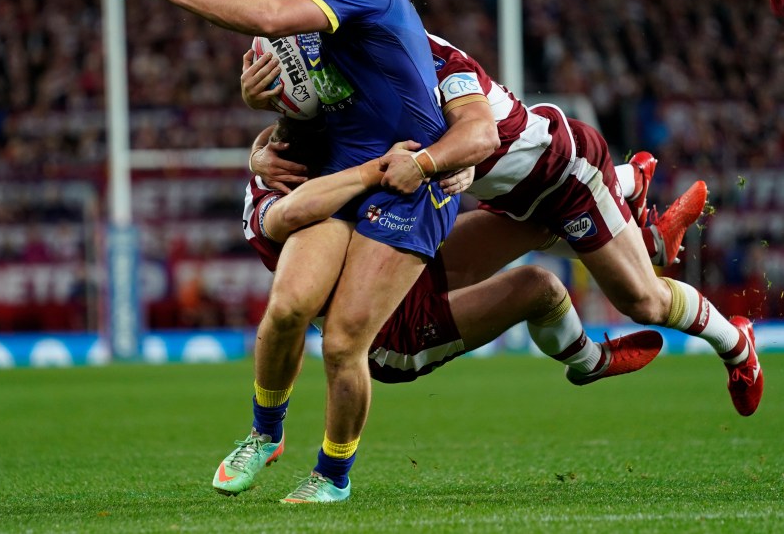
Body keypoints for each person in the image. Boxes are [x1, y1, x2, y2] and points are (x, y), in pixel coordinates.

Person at [120, 0, 499, 503]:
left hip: (407, 181)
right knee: (287, 308)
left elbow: (271, 18)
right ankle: (263, 434)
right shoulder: (313, 27)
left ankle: (332, 476)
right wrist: (262, 110)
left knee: (345, 342)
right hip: (342, 173)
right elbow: (309, 106)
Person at [244, 31, 763, 423]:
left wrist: (448, 161)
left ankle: (729, 338)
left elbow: (475, 135)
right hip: (394, 321)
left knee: (635, 296)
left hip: (559, 176)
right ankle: (632, 234)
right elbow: (312, 137)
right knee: (542, 282)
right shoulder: (356, 101)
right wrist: (259, 124)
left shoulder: (427, 74)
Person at [213, 116, 663, 497]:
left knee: (535, 215)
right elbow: (290, 214)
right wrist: (376, 169)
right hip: (393, 331)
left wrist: (459, 163)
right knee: (539, 287)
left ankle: (639, 226)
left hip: (403, 264)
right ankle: (590, 360)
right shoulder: (272, 198)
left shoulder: (336, 150)